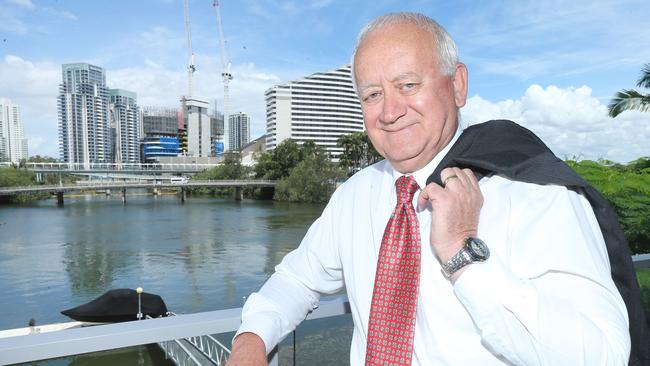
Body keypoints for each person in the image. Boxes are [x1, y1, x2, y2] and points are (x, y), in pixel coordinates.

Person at [227, 12, 638, 365]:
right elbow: (298, 280)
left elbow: (602, 354)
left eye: (408, 85)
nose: (389, 111)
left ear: (457, 85)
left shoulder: (537, 195)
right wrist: (252, 338)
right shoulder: (355, 194)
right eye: (373, 94)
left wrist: (464, 255)